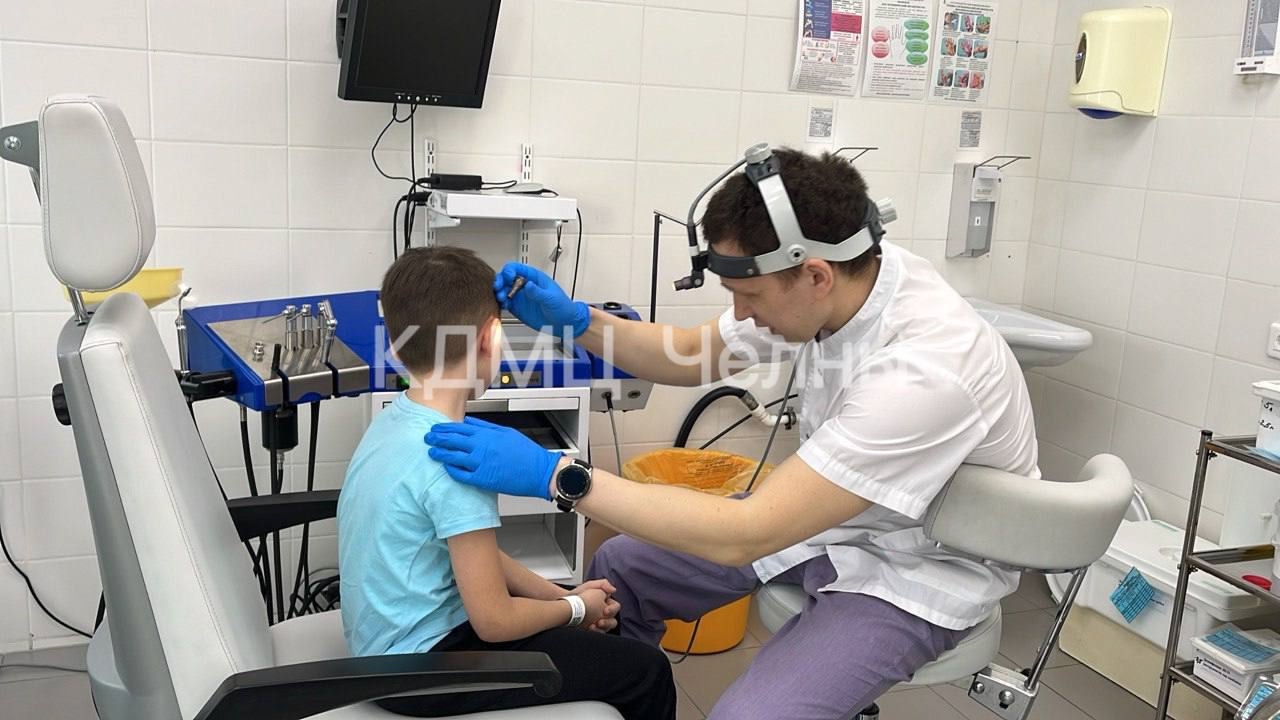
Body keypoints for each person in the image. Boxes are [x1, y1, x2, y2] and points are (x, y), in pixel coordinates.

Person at [425, 149, 1040, 719]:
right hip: (834, 524)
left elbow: (747, 533)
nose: (741, 313)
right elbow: (692, 353)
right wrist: (579, 322)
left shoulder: (926, 371)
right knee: (620, 567)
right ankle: (631, 696)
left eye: (748, 295)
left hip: (914, 568)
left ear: (816, 276)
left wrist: (558, 476)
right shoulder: (845, 279)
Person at [338, 246, 676, 719]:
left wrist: (562, 596)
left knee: (606, 635)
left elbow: (470, 554)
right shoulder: (458, 460)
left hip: (386, 649)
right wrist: (577, 610)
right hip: (422, 670)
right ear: (490, 338)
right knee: (646, 670)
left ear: (396, 343)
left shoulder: (394, 423)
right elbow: (494, 622)